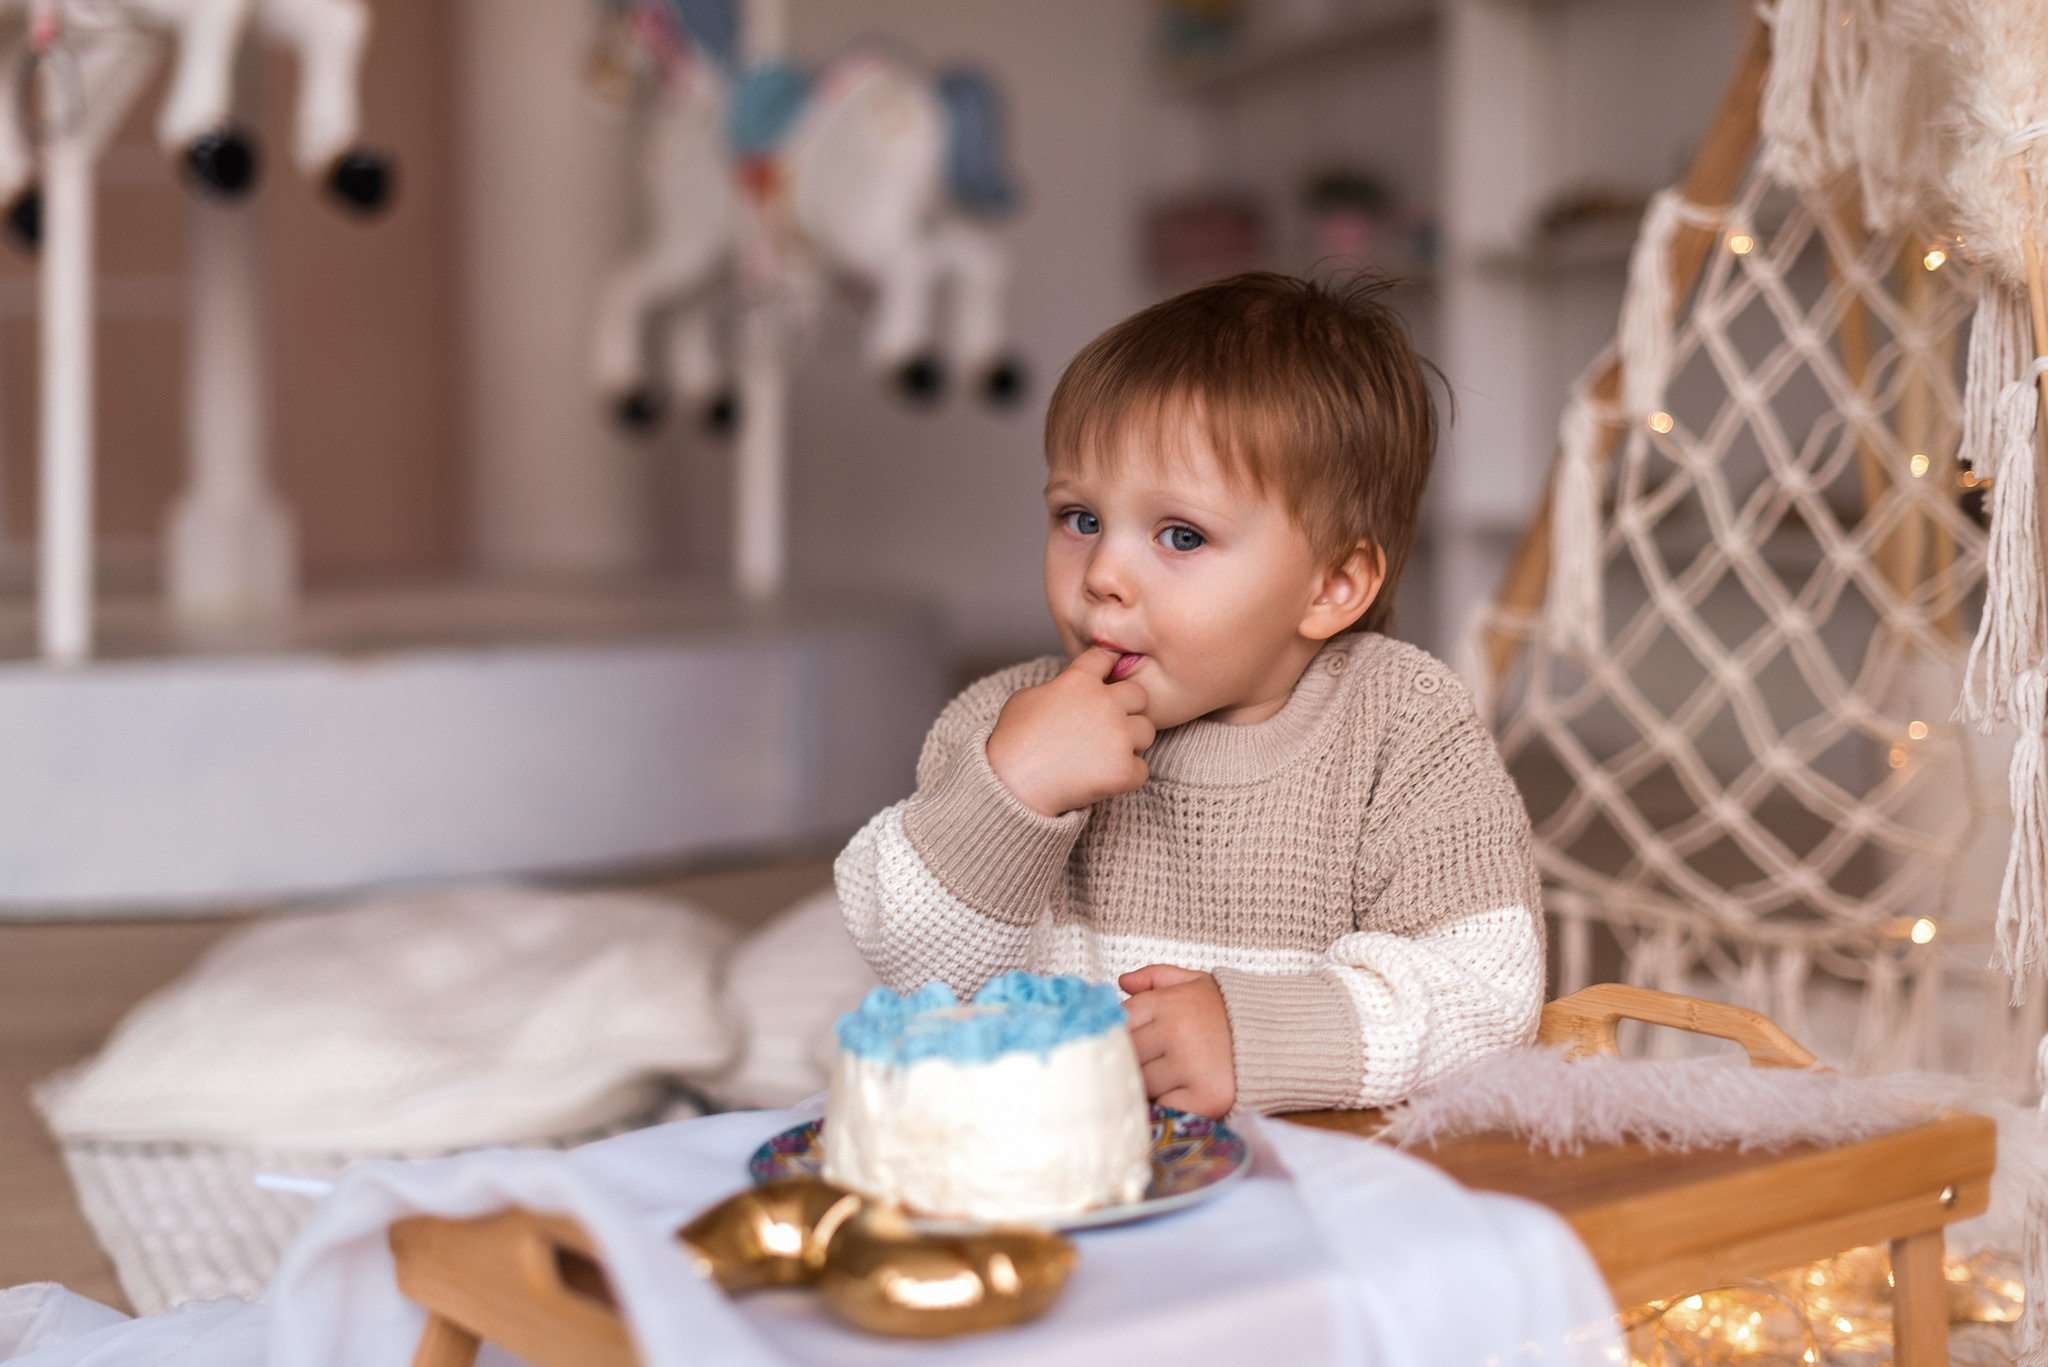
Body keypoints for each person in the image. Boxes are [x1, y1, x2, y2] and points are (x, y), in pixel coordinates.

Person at [835, 271, 1543, 1119]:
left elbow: (1491, 989)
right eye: (1080, 518)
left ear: (1332, 585)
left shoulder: (1402, 724)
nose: (1101, 576)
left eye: (1181, 535)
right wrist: (1009, 796)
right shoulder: (1003, 722)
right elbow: (916, 971)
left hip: (1313, 1199)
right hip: (1053, 1177)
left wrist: (1257, 1036)